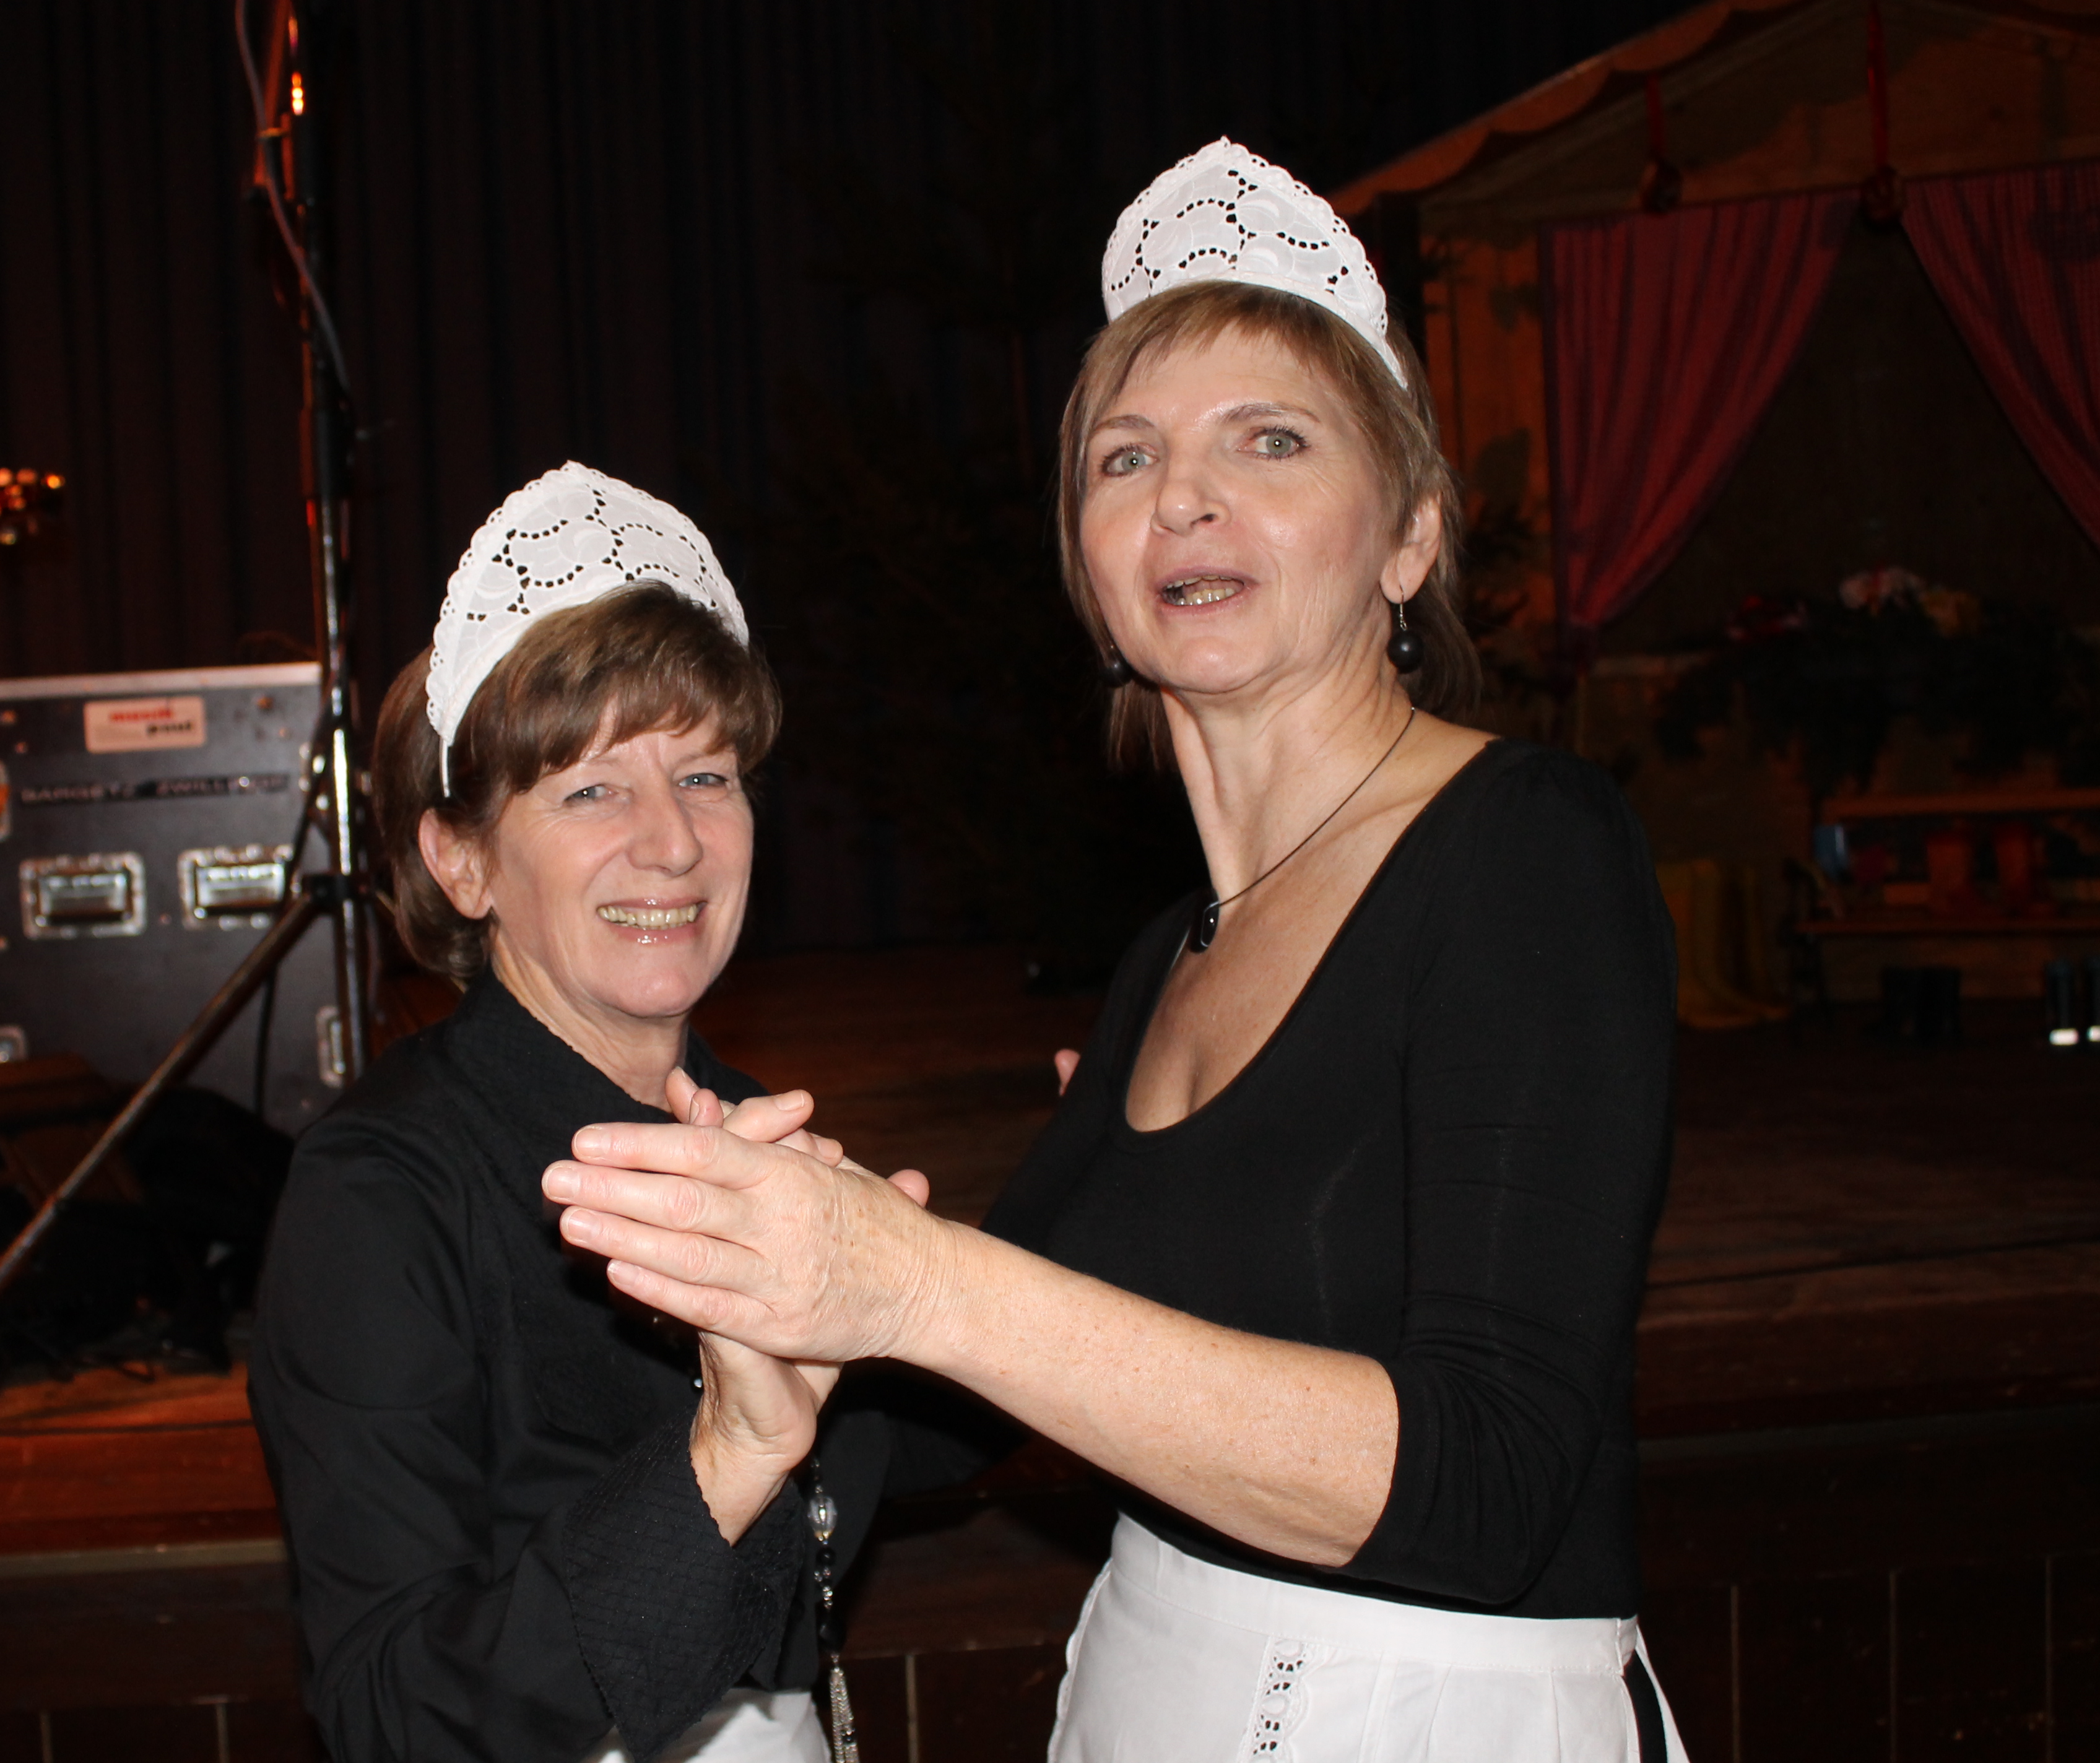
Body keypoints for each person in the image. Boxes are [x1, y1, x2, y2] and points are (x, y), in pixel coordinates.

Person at [541, 142, 1689, 1761]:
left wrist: (910, 1275)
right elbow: (954, 1421)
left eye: (1270, 440)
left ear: (1411, 538)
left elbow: (1490, 1487)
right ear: (1090, 565)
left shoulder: (1523, 850)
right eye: (1126, 456)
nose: (1184, 496)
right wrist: (762, 1281)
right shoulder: (1169, 958)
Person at [249, 463, 983, 1763]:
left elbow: (927, 1440)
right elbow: (392, 1716)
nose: (674, 843)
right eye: (592, 789)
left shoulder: (756, 1134)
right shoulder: (381, 1191)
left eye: (706, 776)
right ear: (461, 859)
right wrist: (726, 1455)